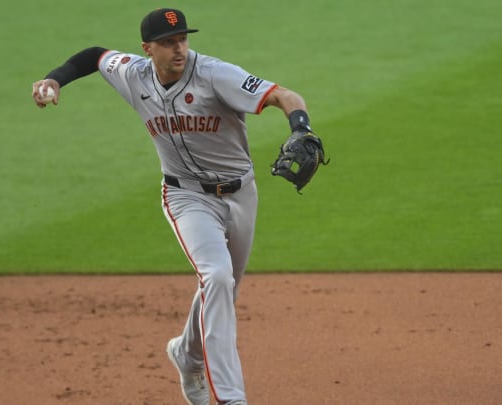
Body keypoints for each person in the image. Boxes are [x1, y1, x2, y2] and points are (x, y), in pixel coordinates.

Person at [32, 8, 320, 405]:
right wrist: (54, 78)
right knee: (216, 277)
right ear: (147, 49)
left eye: (182, 39)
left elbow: (284, 96)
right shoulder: (133, 73)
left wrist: (301, 128)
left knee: (224, 290)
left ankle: (186, 354)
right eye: (168, 43)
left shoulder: (216, 74)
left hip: (241, 195)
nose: (179, 48)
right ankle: (232, 398)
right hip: (185, 196)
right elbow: (94, 55)